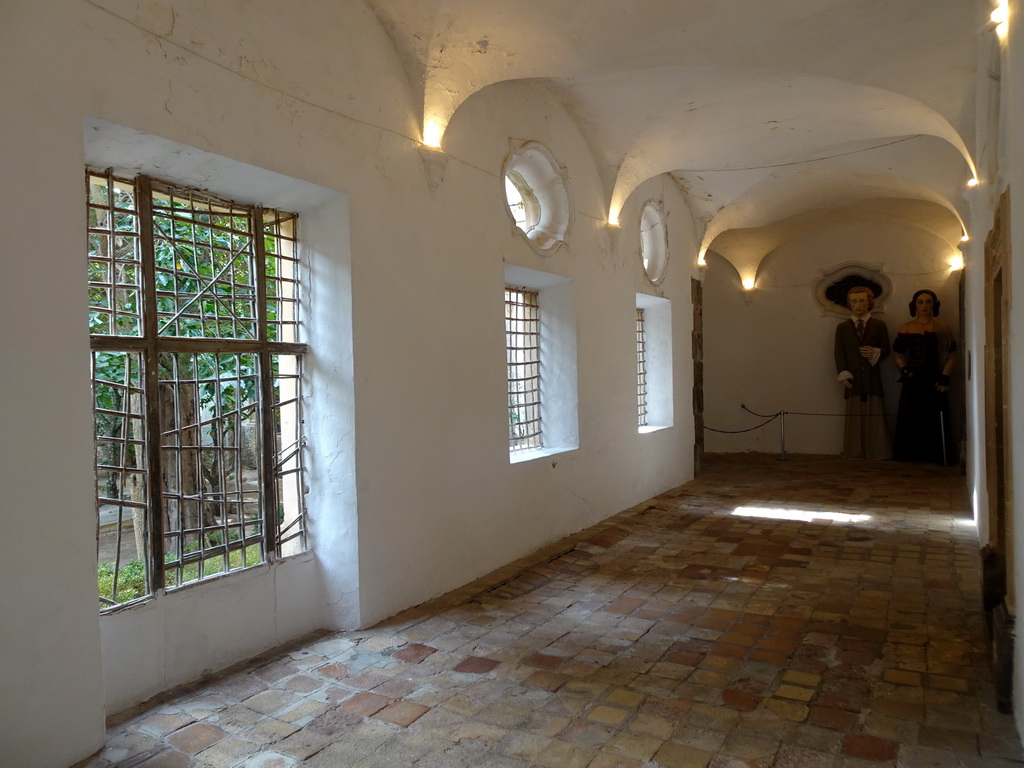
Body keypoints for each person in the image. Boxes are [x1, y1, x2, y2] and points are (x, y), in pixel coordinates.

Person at [892, 289, 958, 464]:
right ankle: (909, 455)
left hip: (935, 376)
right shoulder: (906, 327)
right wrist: (904, 370)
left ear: (934, 305)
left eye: (928, 302)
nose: (924, 305)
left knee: (935, 415)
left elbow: (951, 354)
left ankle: (936, 455)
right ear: (914, 305)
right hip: (913, 377)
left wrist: (945, 376)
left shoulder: (943, 328)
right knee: (910, 414)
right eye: (920, 302)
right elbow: (897, 353)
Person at [834, 286, 891, 459]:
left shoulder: (879, 325)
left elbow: (886, 348)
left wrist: (875, 352)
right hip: (853, 377)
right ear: (849, 304)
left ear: (869, 302)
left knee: (875, 411)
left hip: (873, 377)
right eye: (855, 301)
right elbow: (839, 352)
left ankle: (877, 449)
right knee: (854, 413)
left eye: (862, 300)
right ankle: (854, 450)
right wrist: (842, 371)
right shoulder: (842, 328)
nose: (858, 305)